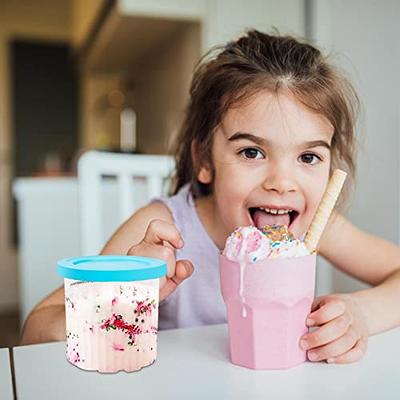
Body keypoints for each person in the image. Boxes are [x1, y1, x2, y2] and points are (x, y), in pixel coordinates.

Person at [21, 30, 400, 364]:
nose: (282, 183)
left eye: (308, 157)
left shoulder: (317, 227)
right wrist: (124, 296)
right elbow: (36, 329)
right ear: (204, 160)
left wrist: (362, 313)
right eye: (252, 152)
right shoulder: (165, 230)